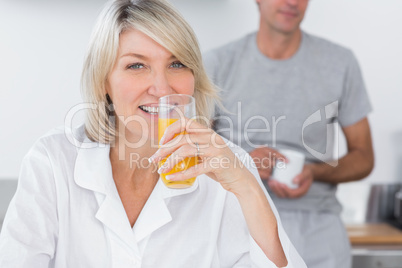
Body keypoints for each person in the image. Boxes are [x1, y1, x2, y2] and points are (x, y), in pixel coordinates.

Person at [0, 0, 307, 267]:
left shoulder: (229, 165)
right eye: (136, 66)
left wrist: (247, 187)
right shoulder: (52, 161)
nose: (162, 89)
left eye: (177, 64)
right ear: (103, 82)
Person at [204, 0, 374, 267]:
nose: (292, 2)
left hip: (317, 228)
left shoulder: (340, 63)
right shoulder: (217, 63)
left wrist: (315, 172)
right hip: (236, 220)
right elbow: (191, 151)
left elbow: (364, 157)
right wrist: (243, 164)